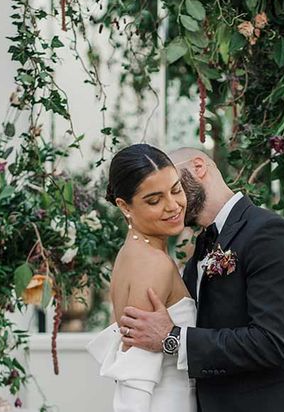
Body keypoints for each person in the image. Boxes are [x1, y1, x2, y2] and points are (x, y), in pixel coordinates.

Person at [118, 147, 284, 412]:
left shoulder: (271, 233)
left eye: (175, 186)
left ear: (199, 167)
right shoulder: (200, 248)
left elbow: (273, 344)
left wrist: (173, 338)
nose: (172, 203)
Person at [87, 143, 197, 412]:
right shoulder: (153, 264)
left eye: (176, 190)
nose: (173, 206)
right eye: (154, 200)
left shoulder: (131, 254)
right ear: (124, 206)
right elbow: (134, 377)